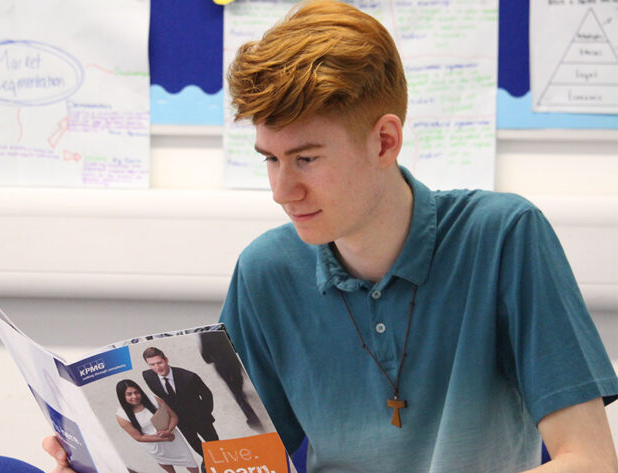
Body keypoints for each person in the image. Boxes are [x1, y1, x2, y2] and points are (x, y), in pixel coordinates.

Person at [44, 1, 618, 472]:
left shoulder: (503, 238)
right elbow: (237, 459)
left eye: (307, 159)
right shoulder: (267, 270)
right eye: (269, 159)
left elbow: (589, 460)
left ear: (385, 141)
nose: (281, 190)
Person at [141, 347, 219, 458]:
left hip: (200, 418)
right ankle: (207, 461)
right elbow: (161, 394)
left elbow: (207, 395)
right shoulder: (148, 376)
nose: (157, 367)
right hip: (180, 420)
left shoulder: (189, 377)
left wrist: (204, 414)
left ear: (166, 360)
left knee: (215, 445)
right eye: (152, 364)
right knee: (196, 445)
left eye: (160, 363)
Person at [115, 379, 199, 473]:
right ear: (122, 396)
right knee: (168, 467)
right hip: (154, 445)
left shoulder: (153, 399)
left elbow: (173, 416)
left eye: (136, 392)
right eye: (129, 394)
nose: (134, 396)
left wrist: (169, 430)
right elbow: (139, 437)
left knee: (190, 463)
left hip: (172, 436)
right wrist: (165, 438)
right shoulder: (122, 415)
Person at [200, 331, 261, 428]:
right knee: (238, 380)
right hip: (234, 362)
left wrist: (214, 358)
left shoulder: (204, 335)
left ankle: (253, 419)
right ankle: (240, 390)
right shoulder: (221, 331)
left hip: (223, 367)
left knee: (236, 393)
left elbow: (206, 357)